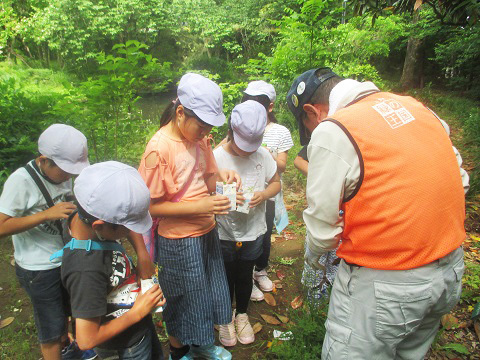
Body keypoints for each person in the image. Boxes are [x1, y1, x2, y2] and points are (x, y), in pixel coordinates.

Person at [287, 67, 470, 359]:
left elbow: (322, 233)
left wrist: (315, 263)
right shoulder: (417, 108)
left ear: (313, 111)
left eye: (307, 125)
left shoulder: (334, 129)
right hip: (449, 271)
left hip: (385, 283)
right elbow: (460, 180)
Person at [138, 73, 238, 360]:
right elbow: (152, 207)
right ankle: (179, 351)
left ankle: (201, 345)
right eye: (202, 125)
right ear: (180, 113)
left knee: (203, 293)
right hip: (179, 241)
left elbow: (208, 180)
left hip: (206, 231)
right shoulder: (158, 150)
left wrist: (224, 180)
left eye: (209, 127)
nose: (206, 132)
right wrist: (202, 206)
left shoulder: (201, 139)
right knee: (183, 298)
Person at [58, 161, 165, 359]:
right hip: (124, 346)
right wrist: (138, 312)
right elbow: (86, 339)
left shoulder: (86, 214)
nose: (131, 230)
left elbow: (121, 219)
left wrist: (142, 253)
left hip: (137, 323)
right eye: (126, 227)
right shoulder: (85, 270)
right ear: (99, 226)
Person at [0, 124, 90, 360]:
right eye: (65, 170)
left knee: (67, 312)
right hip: (38, 269)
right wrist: (45, 214)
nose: (69, 175)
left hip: (64, 257)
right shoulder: (20, 182)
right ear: (44, 160)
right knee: (50, 329)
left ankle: (69, 348)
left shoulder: (62, 175)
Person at [214, 101, 281, 346]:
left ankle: (241, 313)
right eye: (244, 147)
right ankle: (225, 317)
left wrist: (263, 195)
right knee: (225, 274)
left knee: (245, 273)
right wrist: (224, 194)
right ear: (231, 132)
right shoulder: (216, 158)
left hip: (253, 230)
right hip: (224, 231)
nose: (248, 152)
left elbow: (275, 184)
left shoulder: (263, 156)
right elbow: (205, 189)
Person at [242, 80, 294, 301]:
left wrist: (264, 153)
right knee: (246, 235)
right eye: (248, 101)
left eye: (258, 103)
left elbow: (282, 166)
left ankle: (260, 270)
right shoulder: (241, 125)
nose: (252, 107)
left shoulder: (280, 132)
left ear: (270, 106)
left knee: (264, 234)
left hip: (269, 194)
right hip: (246, 195)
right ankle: (246, 276)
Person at [294, 144, 339, 304]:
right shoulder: (329, 136)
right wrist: (322, 178)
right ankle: (313, 301)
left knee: (337, 258)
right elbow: (299, 160)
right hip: (321, 209)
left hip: (347, 214)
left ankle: (330, 300)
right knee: (315, 256)